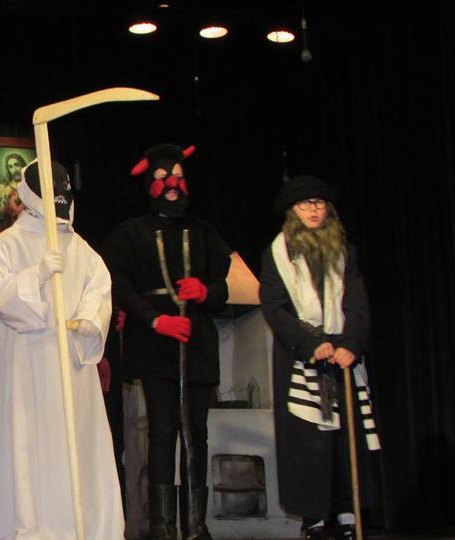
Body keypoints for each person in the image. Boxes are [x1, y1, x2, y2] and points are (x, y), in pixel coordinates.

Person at [0, 160, 124, 539]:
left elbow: (99, 287)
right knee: (32, 452)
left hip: (72, 370)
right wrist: (37, 276)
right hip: (28, 369)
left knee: (80, 448)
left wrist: (89, 320)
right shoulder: (6, 245)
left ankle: (87, 529)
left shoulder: (80, 248)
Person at [101, 143, 231, 540]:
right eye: (161, 177)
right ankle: (162, 526)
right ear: (149, 185)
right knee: (161, 433)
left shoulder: (203, 231)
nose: (171, 183)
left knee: (196, 436)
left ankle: (196, 524)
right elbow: (120, 287)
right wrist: (156, 320)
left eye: (176, 176)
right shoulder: (131, 232)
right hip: (155, 348)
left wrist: (205, 292)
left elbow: (224, 286)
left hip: (197, 346)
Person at [259, 175, 380, 540]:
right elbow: (275, 308)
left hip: (341, 354)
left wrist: (350, 344)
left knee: (345, 437)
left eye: (319, 203)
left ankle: (346, 512)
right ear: (292, 211)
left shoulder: (344, 251)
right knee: (309, 439)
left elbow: (357, 303)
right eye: (305, 204)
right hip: (302, 356)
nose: (313, 210)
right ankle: (313, 517)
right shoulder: (278, 254)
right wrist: (310, 344)